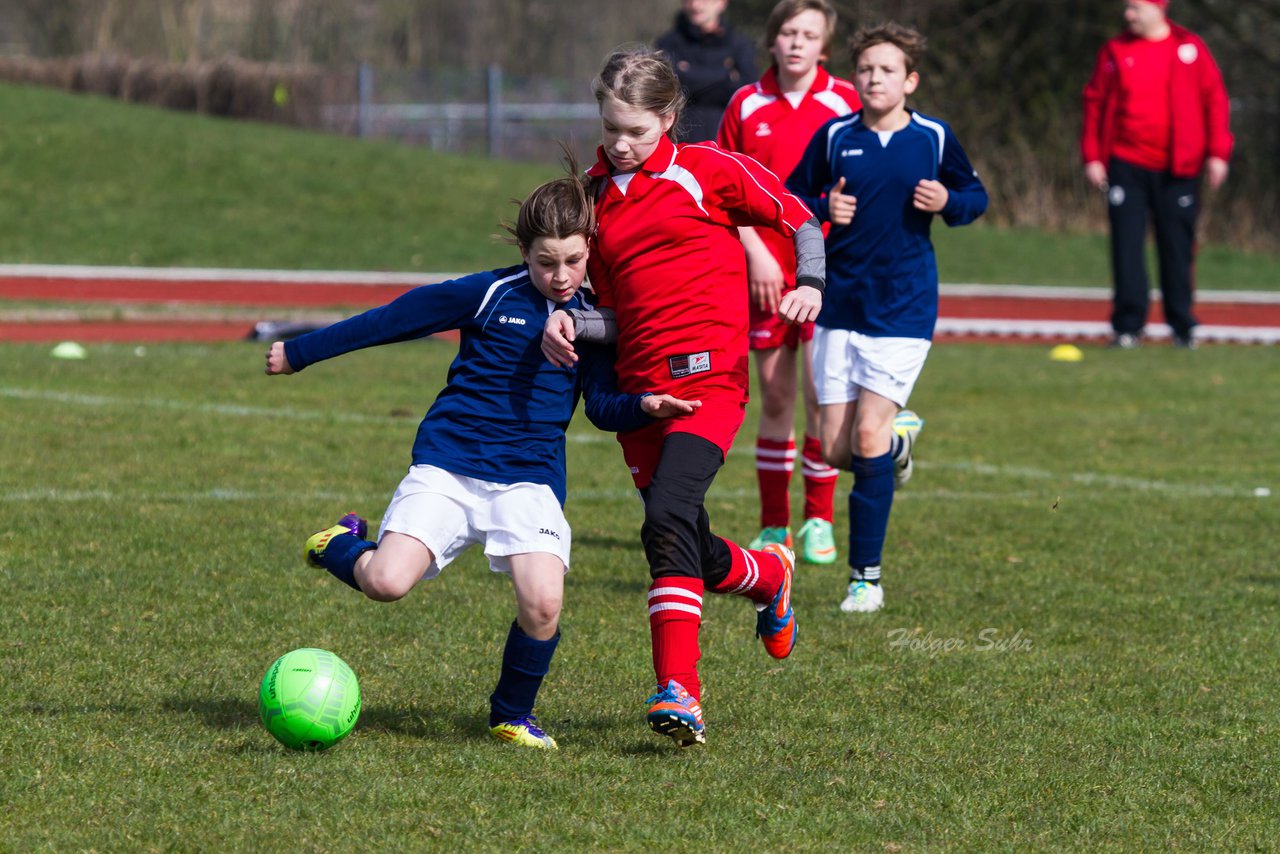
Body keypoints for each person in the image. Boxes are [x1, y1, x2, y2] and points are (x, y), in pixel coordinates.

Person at [264, 169, 699, 751]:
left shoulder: (593, 320)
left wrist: (645, 405)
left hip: (528, 481)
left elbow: (600, 406)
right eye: (547, 262)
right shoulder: (488, 295)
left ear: (590, 248)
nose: (562, 276)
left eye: (573, 260)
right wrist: (298, 351)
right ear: (524, 253)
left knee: (543, 602)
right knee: (387, 583)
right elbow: (389, 321)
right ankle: (338, 543)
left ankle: (510, 714)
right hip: (448, 467)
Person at [542, 47, 825, 748]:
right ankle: (766, 577)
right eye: (610, 126)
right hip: (639, 395)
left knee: (665, 518)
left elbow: (800, 220)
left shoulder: (710, 171)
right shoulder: (591, 193)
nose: (620, 142)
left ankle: (680, 692)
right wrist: (570, 318)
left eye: (635, 129)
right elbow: (610, 307)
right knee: (685, 539)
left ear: (668, 118)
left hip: (709, 385)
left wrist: (810, 284)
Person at [786, 22, 987, 613]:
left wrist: (949, 202)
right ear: (856, 77)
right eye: (867, 69)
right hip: (840, 305)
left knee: (866, 436)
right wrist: (826, 206)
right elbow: (791, 198)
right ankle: (899, 444)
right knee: (835, 450)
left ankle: (865, 580)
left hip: (904, 305)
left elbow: (975, 197)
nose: (875, 78)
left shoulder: (932, 137)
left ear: (910, 80)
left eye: (887, 70)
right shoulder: (834, 136)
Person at [716, 0, 860, 565]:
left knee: (824, 400)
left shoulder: (845, 100)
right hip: (765, 275)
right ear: (772, 41)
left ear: (823, 46)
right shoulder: (746, 103)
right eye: (787, 33)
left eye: (809, 34)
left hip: (826, 276)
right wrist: (754, 253)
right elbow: (724, 189)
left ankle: (818, 521)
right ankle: (774, 525)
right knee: (776, 398)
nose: (796, 43)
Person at [1081, 0, 1233, 350]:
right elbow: (1094, 102)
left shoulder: (1189, 49)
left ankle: (1183, 327)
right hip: (1126, 164)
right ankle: (1128, 327)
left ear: (1157, 8)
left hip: (1179, 168)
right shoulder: (1115, 50)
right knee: (1126, 248)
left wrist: (1217, 153)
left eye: (1135, 8)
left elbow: (1215, 100)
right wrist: (1092, 156)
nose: (1128, 15)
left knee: (1177, 247)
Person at [655, 0, 759, 142]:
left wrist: (689, 73)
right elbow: (666, 86)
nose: (695, 5)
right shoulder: (668, 43)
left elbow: (747, 91)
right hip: (680, 141)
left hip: (726, 142)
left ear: (721, 3)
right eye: (688, 0)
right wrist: (726, 75)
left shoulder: (740, 45)